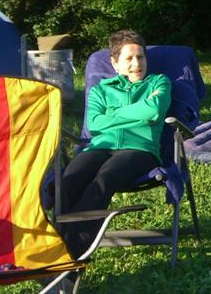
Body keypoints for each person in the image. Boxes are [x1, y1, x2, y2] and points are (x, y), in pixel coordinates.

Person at [60, 30, 171, 255]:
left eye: (140, 57)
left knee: (104, 179)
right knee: (69, 179)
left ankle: (71, 250)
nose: (136, 64)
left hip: (140, 149)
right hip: (100, 147)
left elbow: (154, 110)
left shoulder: (159, 82)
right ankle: (59, 243)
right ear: (114, 63)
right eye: (129, 58)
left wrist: (112, 114)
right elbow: (94, 124)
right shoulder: (101, 90)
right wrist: (139, 113)